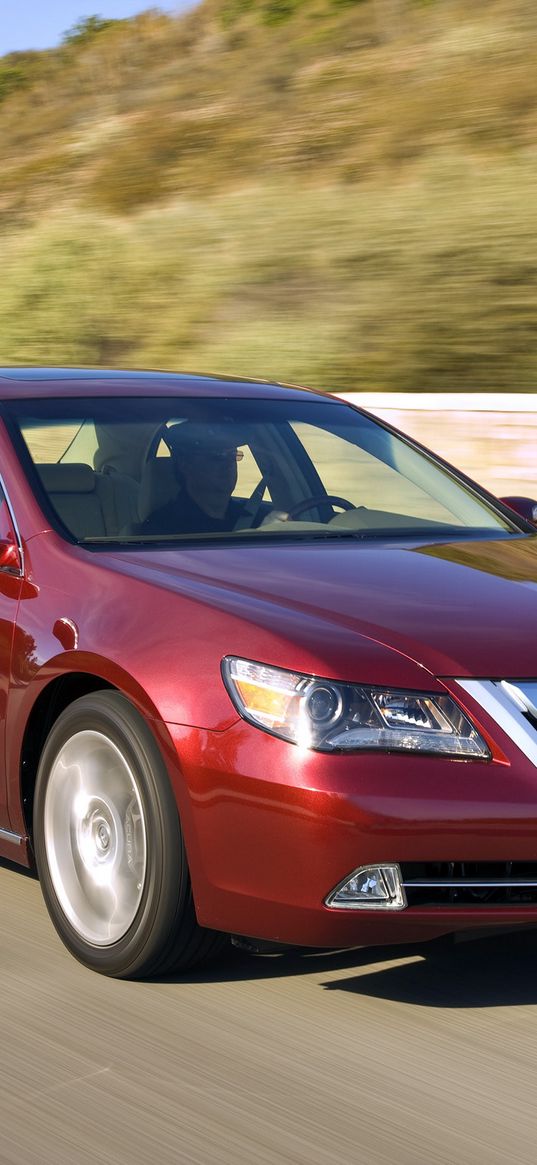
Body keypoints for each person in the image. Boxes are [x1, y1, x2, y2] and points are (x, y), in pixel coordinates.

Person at [136, 421, 246, 536]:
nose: (229, 464)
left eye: (233, 455)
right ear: (185, 464)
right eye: (218, 456)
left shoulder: (259, 518)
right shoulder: (161, 530)